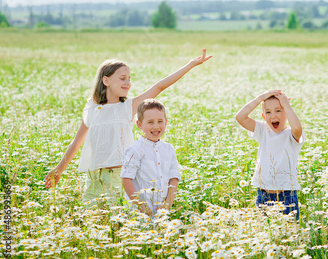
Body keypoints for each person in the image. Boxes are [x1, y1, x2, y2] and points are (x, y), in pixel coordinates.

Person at [44, 49, 211, 207]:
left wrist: (190, 65)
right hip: (94, 176)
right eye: (123, 78)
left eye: (129, 79)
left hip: (119, 177)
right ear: (106, 80)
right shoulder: (92, 108)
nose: (128, 83)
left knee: (116, 223)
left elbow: (159, 86)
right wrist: (59, 169)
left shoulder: (128, 107)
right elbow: (77, 141)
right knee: (92, 220)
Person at [235, 90, 304, 220]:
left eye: (278, 110)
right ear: (263, 116)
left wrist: (286, 105)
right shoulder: (262, 130)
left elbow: (297, 128)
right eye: (268, 112)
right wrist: (260, 98)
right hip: (263, 194)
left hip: (287, 195)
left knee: (289, 233)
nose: (273, 116)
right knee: (265, 232)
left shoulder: (291, 134)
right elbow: (240, 117)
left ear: (287, 113)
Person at [121, 99, 180, 216]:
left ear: (165, 123)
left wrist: (167, 204)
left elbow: (174, 178)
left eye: (160, 121)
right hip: (139, 213)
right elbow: (126, 179)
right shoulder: (135, 150)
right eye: (150, 122)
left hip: (162, 211)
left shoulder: (169, 149)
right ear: (139, 124)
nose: (156, 126)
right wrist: (142, 207)